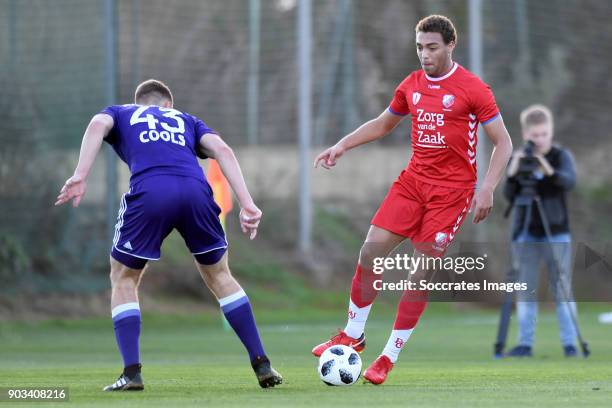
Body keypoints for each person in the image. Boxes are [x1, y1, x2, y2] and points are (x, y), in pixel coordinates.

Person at [312, 15, 513, 385]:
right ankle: (353, 334)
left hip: (452, 194)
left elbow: (504, 142)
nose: (424, 54)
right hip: (412, 183)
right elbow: (383, 122)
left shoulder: (473, 89)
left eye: (432, 47)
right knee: (370, 251)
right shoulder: (412, 85)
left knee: (419, 272)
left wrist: (487, 187)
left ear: (451, 45)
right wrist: (342, 145)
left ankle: (388, 357)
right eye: (420, 47)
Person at [55, 79, 283, 390]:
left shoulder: (122, 113)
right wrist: (247, 203)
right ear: (168, 106)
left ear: (139, 103)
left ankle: (132, 373)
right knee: (220, 275)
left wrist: (80, 175)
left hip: (151, 192)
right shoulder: (187, 120)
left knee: (123, 277)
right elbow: (223, 150)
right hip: (196, 192)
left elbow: (97, 123)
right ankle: (262, 363)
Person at [504, 104, 579, 357]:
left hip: (556, 232)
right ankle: (525, 344)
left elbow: (568, 182)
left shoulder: (560, 156)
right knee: (526, 290)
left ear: (551, 132)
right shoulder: (519, 159)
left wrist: (547, 168)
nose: (540, 140)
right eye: (535, 135)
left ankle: (570, 344)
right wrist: (513, 173)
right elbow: (508, 196)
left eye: (544, 134)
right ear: (526, 135)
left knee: (562, 289)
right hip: (525, 233)